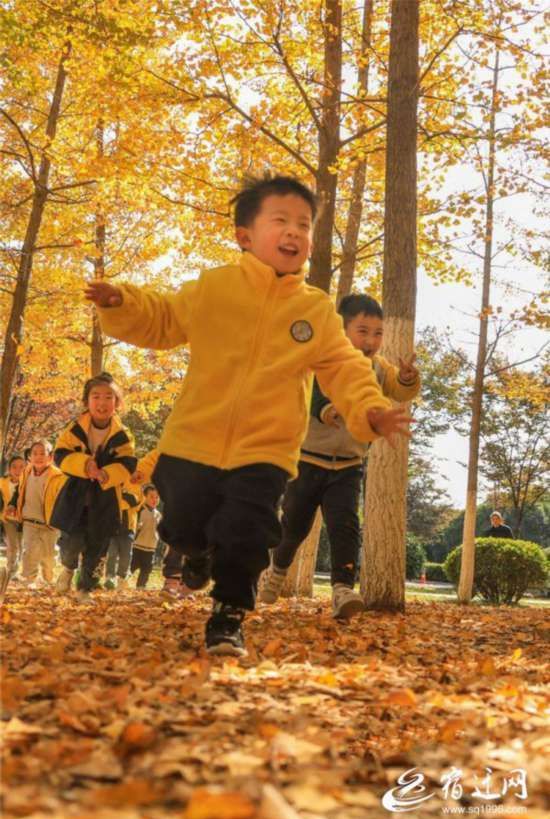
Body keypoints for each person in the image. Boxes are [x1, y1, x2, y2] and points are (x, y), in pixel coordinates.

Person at [86, 173, 411, 656]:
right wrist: (123, 303)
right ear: (245, 236)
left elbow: (346, 369)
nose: (295, 232)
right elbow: (164, 318)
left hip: (266, 450)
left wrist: (373, 410)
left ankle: (228, 616)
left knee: (250, 530)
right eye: (280, 220)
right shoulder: (214, 288)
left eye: (305, 224)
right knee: (183, 525)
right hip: (193, 439)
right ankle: (198, 555)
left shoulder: (316, 311)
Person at [260, 294, 420, 617]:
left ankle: (342, 589)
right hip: (307, 460)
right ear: (340, 330)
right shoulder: (324, 360)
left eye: (377, 333)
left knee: (345, 526)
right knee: (294, 526)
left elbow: (398, 390)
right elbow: (311, 395)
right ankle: (277, 569)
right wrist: (327, 410)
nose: (371, 340)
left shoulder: (379, 367)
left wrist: (406, 379)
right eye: (362, 331)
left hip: (348, 466)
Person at [53, 372, 137, 600]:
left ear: (117, 403)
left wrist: (107, 474)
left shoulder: (123, 435)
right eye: (96, 397)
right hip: (76, 496)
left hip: (105, 498)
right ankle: (68, 568)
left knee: (97, 547)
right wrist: (84, 465)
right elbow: (60, 455)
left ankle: (85, 588)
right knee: (71, 542)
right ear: (87, 401)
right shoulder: (74, 428)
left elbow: (128, 462)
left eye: (109, 397)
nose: (102, 403)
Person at [7, 440, 65, 587]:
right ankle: (28, 579)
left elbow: (63, 500)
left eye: (42, 453)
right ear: (30, 457)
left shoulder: (58, 476)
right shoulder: (26, 471)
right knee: (29, 552)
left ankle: (48, 578)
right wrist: (13, 504)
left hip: (49, 523)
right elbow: (19, 490)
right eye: (35, 454)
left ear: (50, 457)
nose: (38, 457)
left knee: (48, 556)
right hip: (29, 521)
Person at [105, 481, 143, 590]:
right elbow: (111, 502)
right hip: (113, 527)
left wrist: (121, 499)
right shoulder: (113, 482)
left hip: (128, 528)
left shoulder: (135, 484)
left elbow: (137, 502)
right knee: (112, 553)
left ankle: (122, 577)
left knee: (126, 555)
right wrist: (126, 499)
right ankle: (110, 577)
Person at [130, 485, 162, 589]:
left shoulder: (158, 515)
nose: (155, 500)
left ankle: (141, 586)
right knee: (131, 567)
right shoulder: (140, 511)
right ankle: (121, 581)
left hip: (151, 548)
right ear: (145, 497)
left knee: (147, 569)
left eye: (157, 497)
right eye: (152, 497)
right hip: (137, 546)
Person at [0, 455, 26, 580]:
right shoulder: (2, 483)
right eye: (14, 467)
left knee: (21, 546)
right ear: (9, 469)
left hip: (23, 520)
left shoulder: (27, 484)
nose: (18, 470)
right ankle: (11, 571)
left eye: (22, 467)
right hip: (8, 519)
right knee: (13, 545)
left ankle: (16, 569)